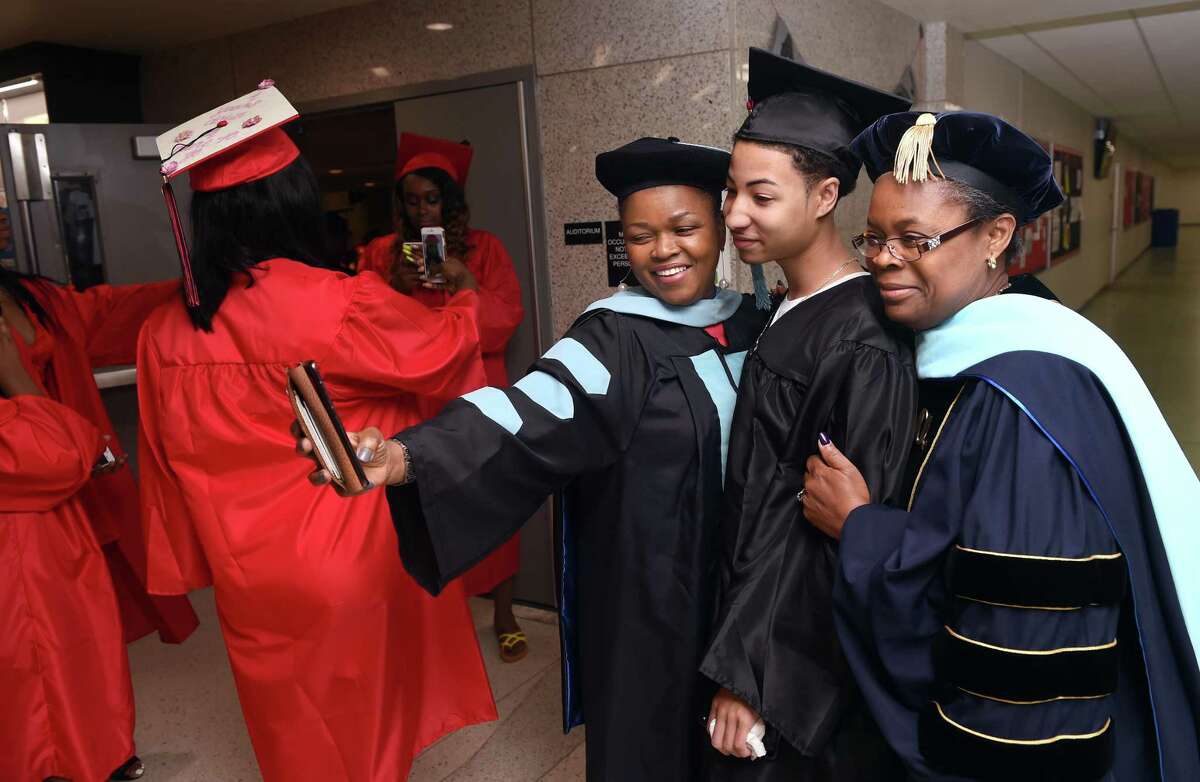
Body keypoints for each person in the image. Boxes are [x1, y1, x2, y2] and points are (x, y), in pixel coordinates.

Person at [301, 137, 770, 780]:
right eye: (639, 236)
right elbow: (521, 411)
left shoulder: (755, 321)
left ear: (720, 229)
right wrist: (406, 456)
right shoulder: (613, 336)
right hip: (654, 595)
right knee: (656, 740)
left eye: (685, 229)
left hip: (747, 581)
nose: (663, 250)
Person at [803, 110, 1200, 780]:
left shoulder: (1021, 401)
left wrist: (861, 529)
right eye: (873, 237)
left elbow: (1018, 647)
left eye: (915, 240)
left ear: (996, 235)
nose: (883, 259)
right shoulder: (952, 348)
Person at [137, 92, 496, 782]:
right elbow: (444, 353)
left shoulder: (164, 328)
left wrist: (187, 559)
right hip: (347, 554)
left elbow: (162, 460)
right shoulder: (338, 300)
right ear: (292, 202)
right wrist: (462, 294)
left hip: (246, 572)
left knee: (291, 728)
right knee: (365, 730)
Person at [701, 49, 916, 780]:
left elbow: (824, 536)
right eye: (731, 192)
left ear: (825, 196)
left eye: (761, 197)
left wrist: (751, 675)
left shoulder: (860, 339)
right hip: (747, 617)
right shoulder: (789, 306)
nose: (734, 214)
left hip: (790, 668)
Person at [358, 132, 528, 660]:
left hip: (475, 391)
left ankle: (504, 612)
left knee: (493, 497)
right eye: (411, 200)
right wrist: (396, 284)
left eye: (432, 199)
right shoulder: (382, 253)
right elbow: (362, 326)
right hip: (411, 396)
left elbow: (505, 320)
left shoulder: (485, 248)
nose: (422, 210)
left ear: (449, 202)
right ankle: (435, 622)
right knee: (420, 509)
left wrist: (464, 281)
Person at [0, 266, 199, 647]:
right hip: (23, 510)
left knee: (88, 646)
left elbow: (111, 312)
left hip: (68, 490)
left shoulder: (34, 297)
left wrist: (203, 281)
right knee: (41, 649)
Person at [0, 317, 143, 782]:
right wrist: (13, 372)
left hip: (36, 541)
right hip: (24, 556)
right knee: (49, 667)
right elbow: (55, 455)